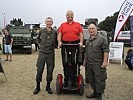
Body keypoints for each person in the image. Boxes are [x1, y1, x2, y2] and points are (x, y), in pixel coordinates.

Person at [58, 10, 83, 87]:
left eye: (71, 14)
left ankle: (73, 80)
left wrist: (81, 42)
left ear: (73, 15)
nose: (70, 16)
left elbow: (81, 34)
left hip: (75, 45)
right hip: (65, 45)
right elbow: (59, 34)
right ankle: (66, 80)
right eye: (68, 14)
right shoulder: (62, 25)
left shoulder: (78, 24)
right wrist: (59, 42)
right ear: (66, 16)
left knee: (74, 62)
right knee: (65, 62)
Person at [33, 17, 57, 95]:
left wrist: (55, 46)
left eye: (50, 21)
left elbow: (56, 41)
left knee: (50, 71)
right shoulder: (41, 31)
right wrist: (39, 45)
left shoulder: (54, 32)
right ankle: (38, 86)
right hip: (42, 53)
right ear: (45, 22)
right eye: (47, 21)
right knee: (39, 70)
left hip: (50, 53)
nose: (49, 23)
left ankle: (48, 86)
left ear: (52, 23)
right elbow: (37, 39)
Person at [85, 23, 109, 100]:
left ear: (96, 29)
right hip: (89, 64)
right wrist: (85, 61)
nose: (91, 30)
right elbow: (86, 51)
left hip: (98, 63)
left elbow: (106, 50)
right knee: (91, 79)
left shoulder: (102, 38)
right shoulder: (88, 40)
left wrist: (105, 61)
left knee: (99, 80)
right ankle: (95, 93)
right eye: (90, 29)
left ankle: (99, 96)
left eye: (93, 28)